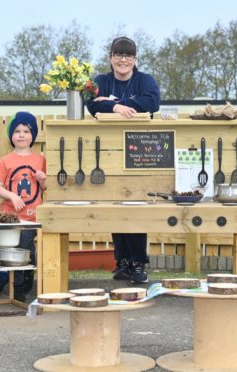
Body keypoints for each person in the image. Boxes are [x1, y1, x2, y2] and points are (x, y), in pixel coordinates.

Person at [86, 36, 160, 283]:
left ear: (135, 59)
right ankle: (123, 261)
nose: (123, 60)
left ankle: (139, 262)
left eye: (128, 55)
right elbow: (91, 105)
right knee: (115, 206)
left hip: (138, 150)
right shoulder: (101, 81)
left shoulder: (144, 80)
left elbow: (152, 103)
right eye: (118, 54)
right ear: (110, 58)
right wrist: (116, 108)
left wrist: (113, 102)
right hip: (108, 152)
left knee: (136, 206)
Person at [0, 111, 46, 303]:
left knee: (26, 250)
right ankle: (9, 285)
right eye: (17, 131)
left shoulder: (40, 160)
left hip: (32, 216)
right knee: (9, 251)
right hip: (10, 215)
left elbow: (46, 188)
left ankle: (21, 289)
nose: (21, 135)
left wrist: (43, 180)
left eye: (26, 131)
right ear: (11, 136)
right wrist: (12, 196)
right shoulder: (6, 160)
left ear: (33, 136)